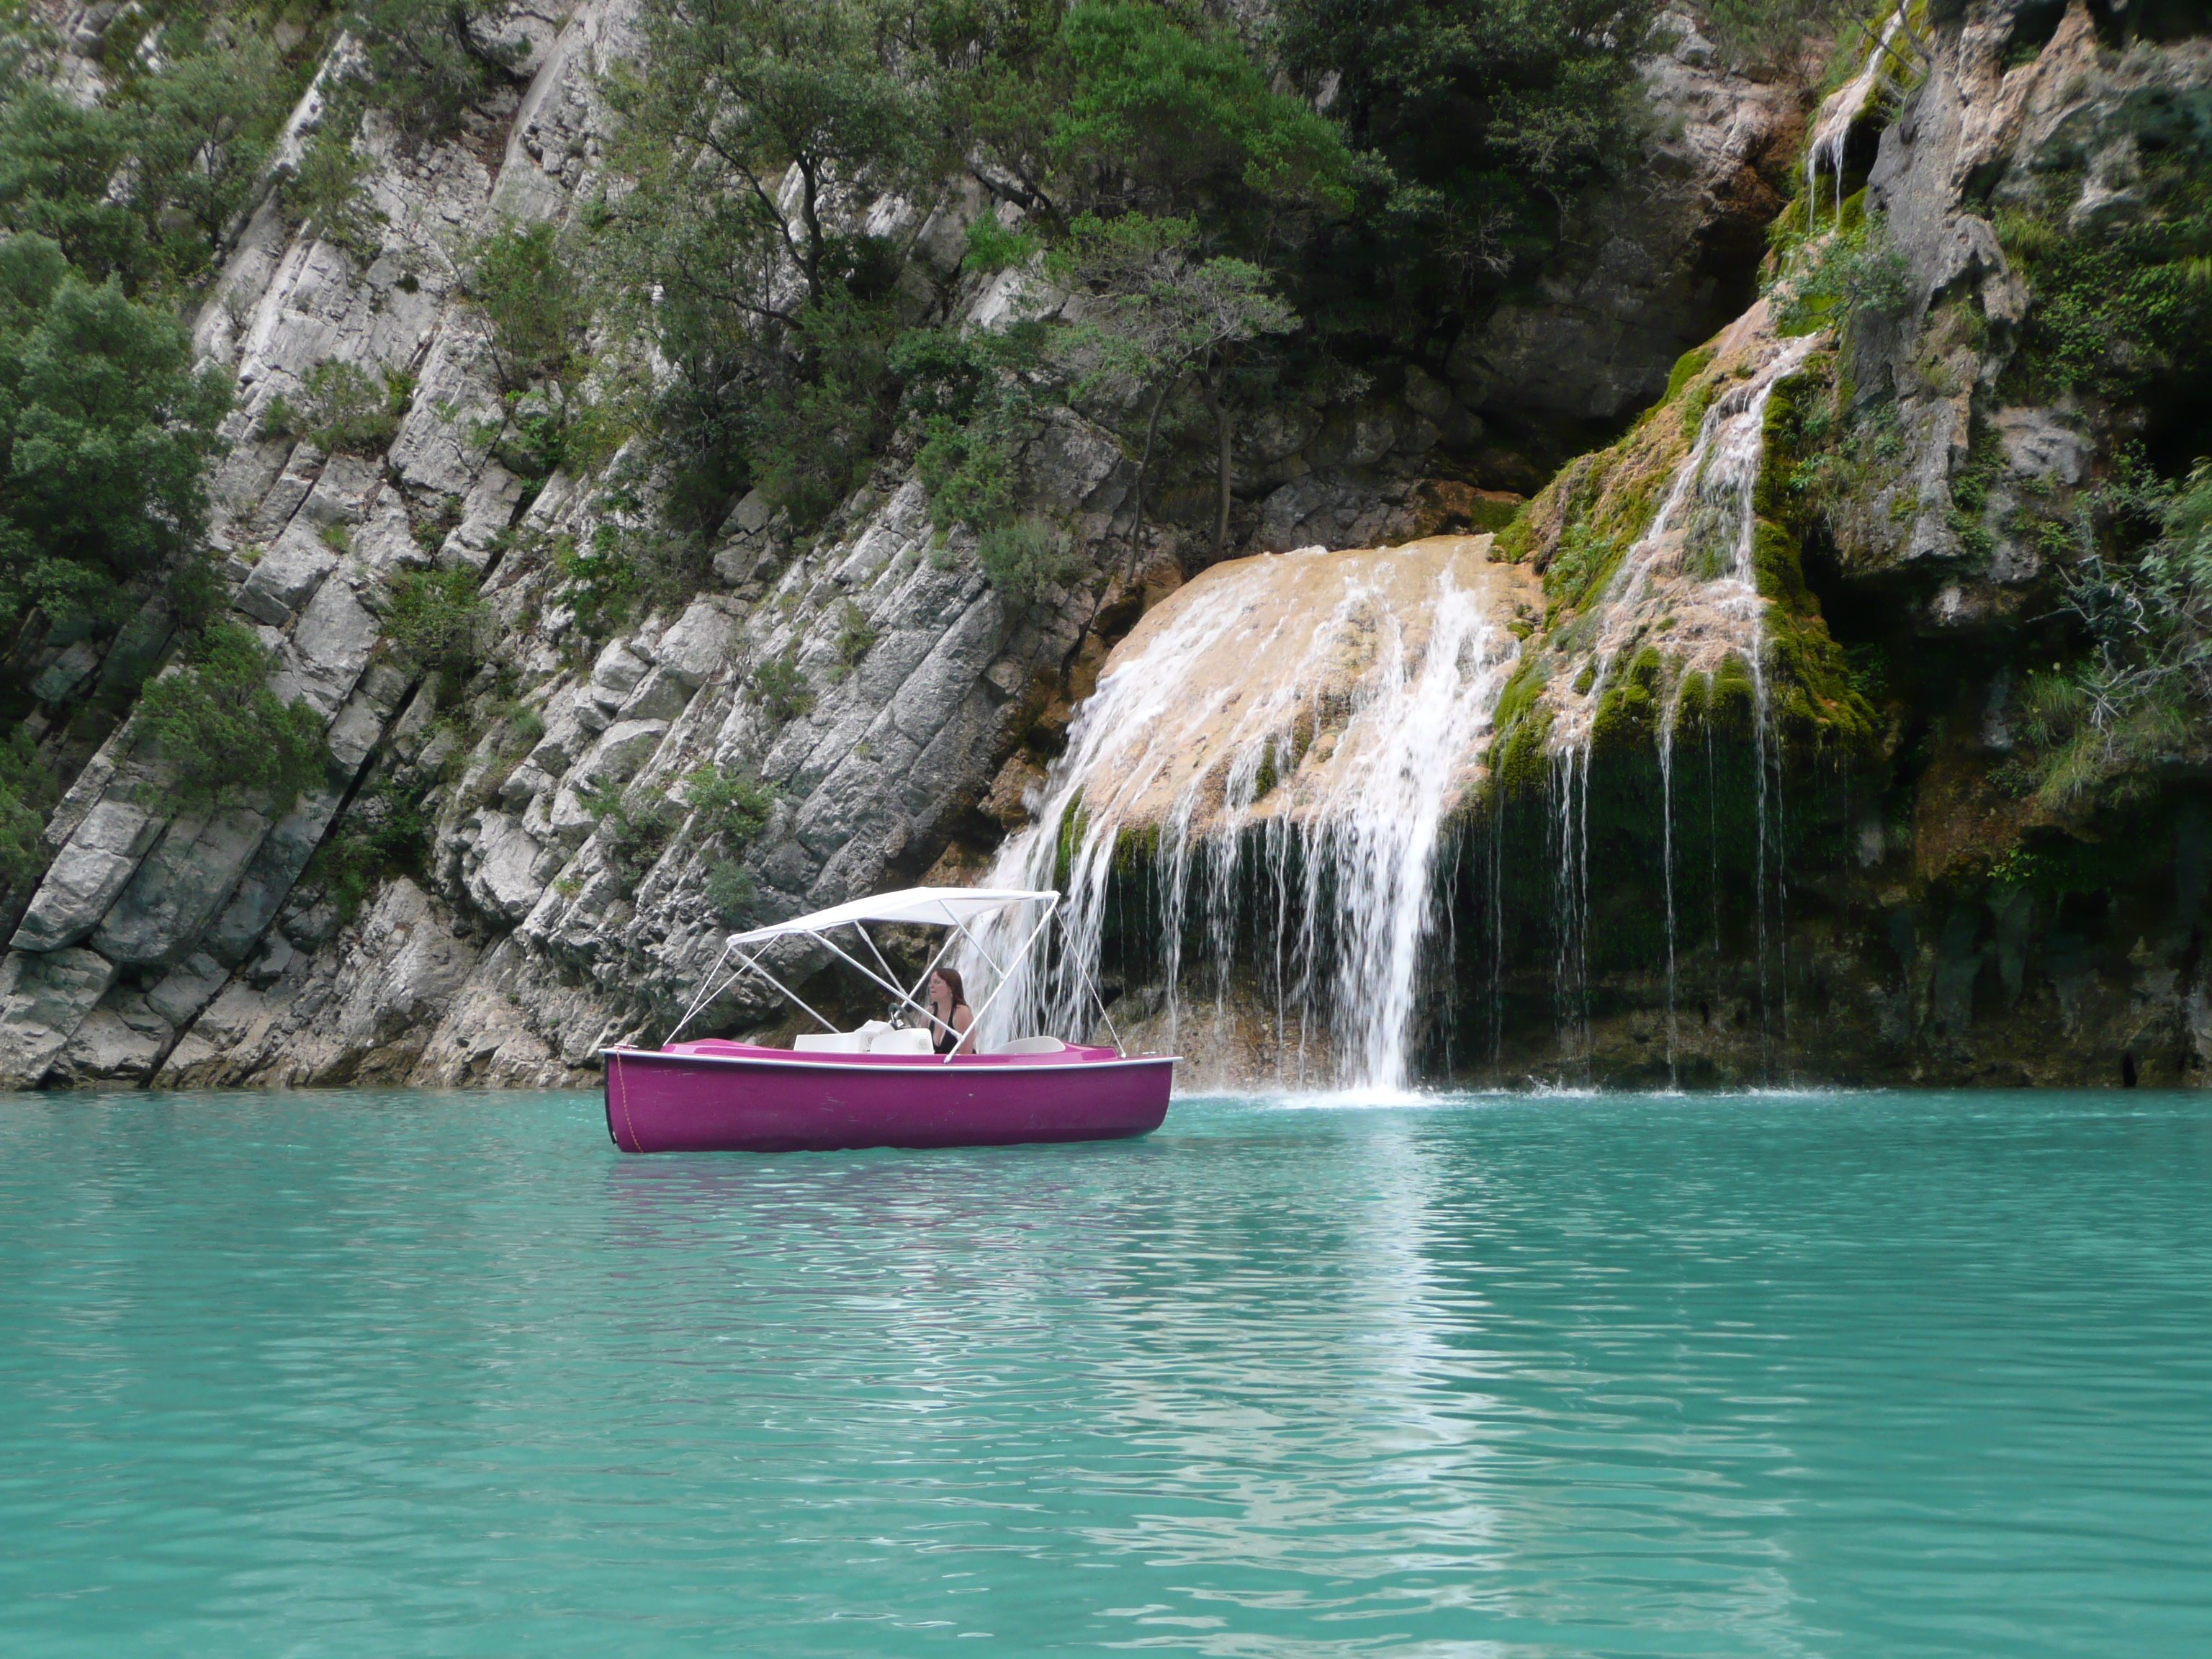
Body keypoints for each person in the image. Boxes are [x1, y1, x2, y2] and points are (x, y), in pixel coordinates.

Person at [925, 968, 976, 1056]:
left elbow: (966, 1053)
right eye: (931, 982)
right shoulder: (928, 1013)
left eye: (937, 982)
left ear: (950, 988)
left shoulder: (962, 1012)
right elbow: (923, 1049)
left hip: (962, 1067)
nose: (931, 986)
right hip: (937, 1067)